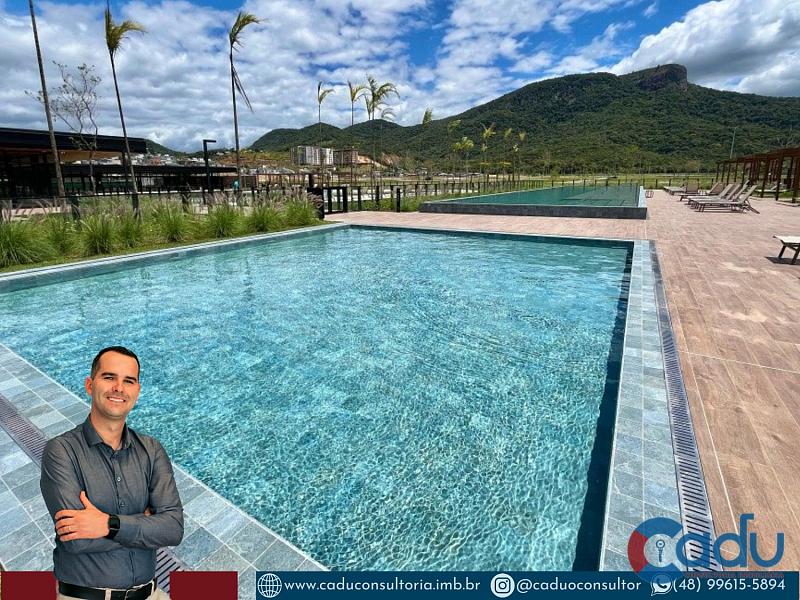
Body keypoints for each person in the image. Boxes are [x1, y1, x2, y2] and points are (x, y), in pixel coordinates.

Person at [40, 346, 184, 600]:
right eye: (109, 377)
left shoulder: (151, 450)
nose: (119, 387)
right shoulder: (61, 451)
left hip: (150, 594)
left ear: (137, 392)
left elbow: (172, 529)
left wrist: (107, 524)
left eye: (128, 381)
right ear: (89, 385)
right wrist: (145, 523)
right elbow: (76, 540)